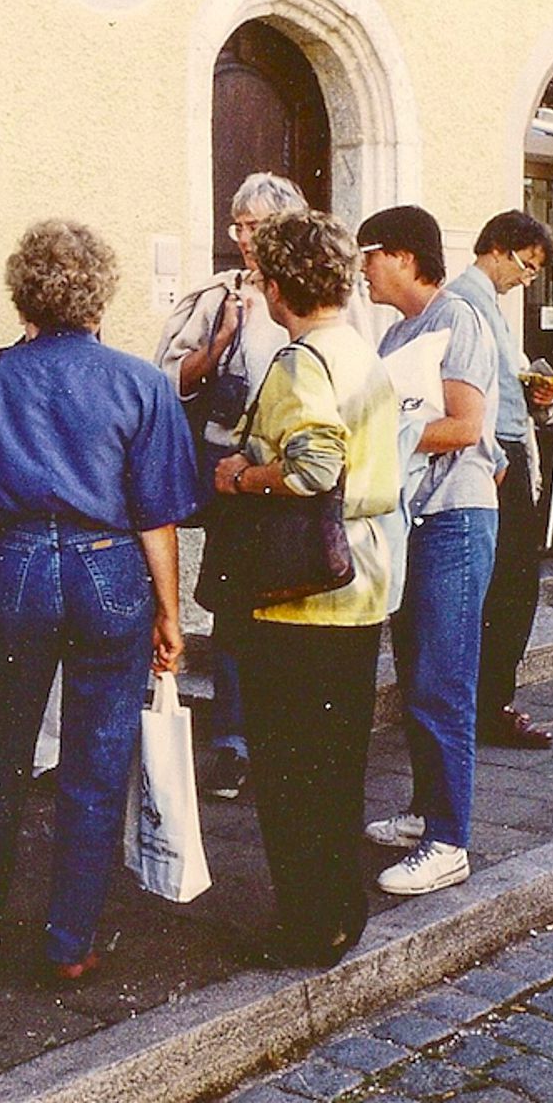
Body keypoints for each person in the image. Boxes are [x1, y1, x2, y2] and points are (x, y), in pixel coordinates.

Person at [0, 219, 198, 979]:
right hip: (109, 568)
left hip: (16, 563)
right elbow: (156, 516)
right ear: (99, 296)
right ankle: (69, 941)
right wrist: (171, 613)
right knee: (97, 756)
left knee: (2, 751)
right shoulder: (141, 382)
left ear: (24, 295)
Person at [212, 210, 399, 966]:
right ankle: (339, 911)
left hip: (301, 594)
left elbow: (314, 466)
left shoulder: (301, 361)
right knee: (337, 766)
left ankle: (308, 926)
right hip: (361, 582)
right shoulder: (358, 349)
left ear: (279, 285)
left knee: (290, 773)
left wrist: (241, 476)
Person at [360, 206, 499, 896]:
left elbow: (466, 426)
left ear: (406, 257)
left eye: (369, 254)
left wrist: (381, 439)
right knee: (419, 676)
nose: (362, 269)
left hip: (454, 520)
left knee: (443, 682)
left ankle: (449, 842)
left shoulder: (458, 319)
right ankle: (426, 812)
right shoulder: (397, 333)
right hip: (415, 519)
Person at [154, 171, 305, 799]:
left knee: (294, 605)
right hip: (232, 477)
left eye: (256, 225)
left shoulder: (322, 293)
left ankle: (284, 740)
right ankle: (234, 742)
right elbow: (168, 380)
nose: (243, 237)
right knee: (237, 610)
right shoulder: (219, 296)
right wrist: (218, 344)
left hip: (296, 473)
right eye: (238, 225)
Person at [447, 211, 553, 749]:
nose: (527, 279)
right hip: (495, 459)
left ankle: (491, 702)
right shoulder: (466, 303)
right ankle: (490, 705)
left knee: (511, 588)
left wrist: (539, 393)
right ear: (498, 248)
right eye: (527, 266)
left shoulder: (489, 304)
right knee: (508, 590)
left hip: (508, 453)